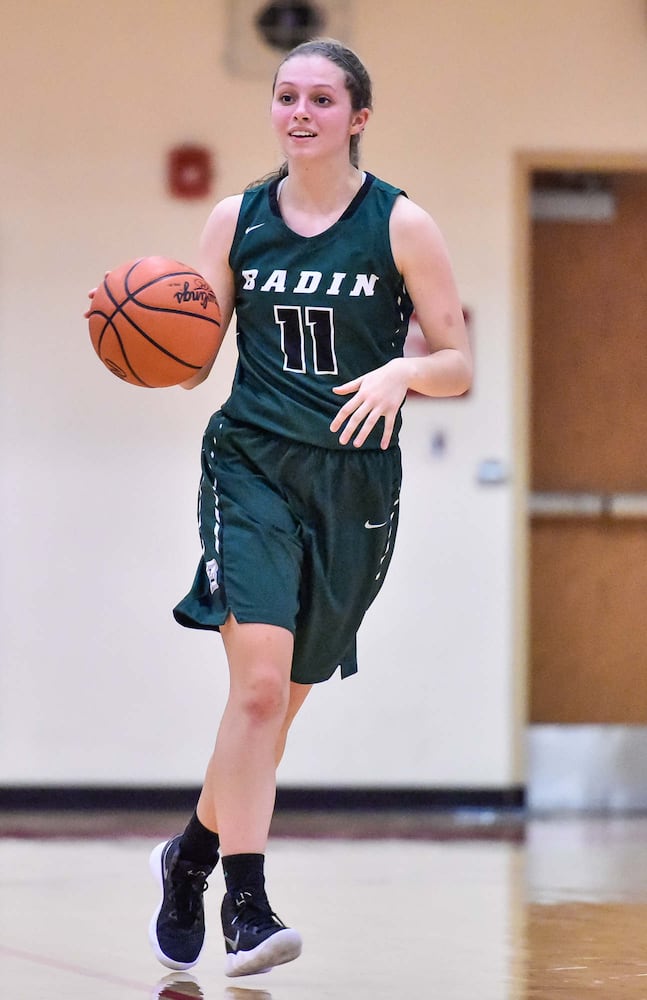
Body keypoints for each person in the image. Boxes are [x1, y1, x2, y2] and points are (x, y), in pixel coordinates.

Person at [146, 38, 472, 979]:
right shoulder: (235, 219)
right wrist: (156, 344)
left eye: (320, 99)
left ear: (357, 117)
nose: (298, 111)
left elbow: (455, 364)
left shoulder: (401, 224)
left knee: (277, 713)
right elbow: (194, 359)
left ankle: (190, 855)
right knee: (254, 691)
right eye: (286, 95)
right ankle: (244, 904)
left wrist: (404, 370)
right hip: (250, 467)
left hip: (355, 485)